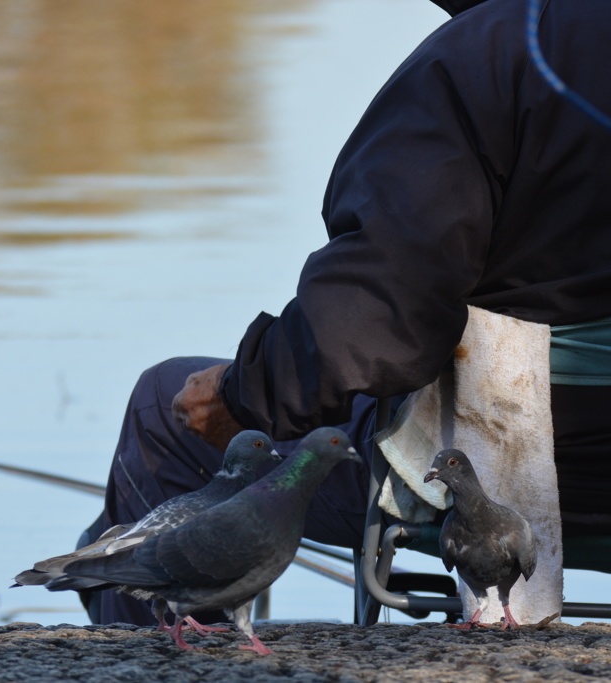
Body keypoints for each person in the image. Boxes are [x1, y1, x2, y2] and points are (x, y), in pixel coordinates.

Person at [85, 0, 611, 626]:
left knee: (160, 412)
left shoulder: (495, 55)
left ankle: (137, 656)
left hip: (533, 476)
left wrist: (246, 394)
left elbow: (379, 315)